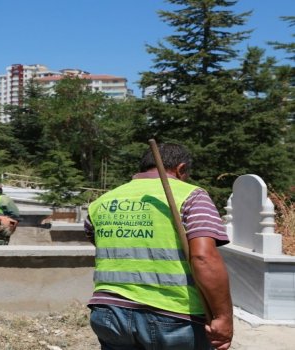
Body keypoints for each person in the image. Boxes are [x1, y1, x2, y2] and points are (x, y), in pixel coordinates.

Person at [85, 143, 233, 350]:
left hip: (109, 311)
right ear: (181, 169)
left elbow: (104, 244)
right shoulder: (192, 196)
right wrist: (223, 316)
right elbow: (203, 258)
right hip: (173, 316)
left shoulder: (101, 202)